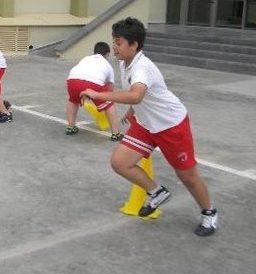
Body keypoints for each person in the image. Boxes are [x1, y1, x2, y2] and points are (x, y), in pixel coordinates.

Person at [80, 17, 218, 236]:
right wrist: (132, 113)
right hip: (146, 125)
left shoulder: (142, 67)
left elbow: (136, 94)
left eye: (118, 43)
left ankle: (209, 212)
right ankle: (157, 192)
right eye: (113, 42)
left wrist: (98, 94)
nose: (114, 47)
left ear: (134, 45)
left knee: (188, 177)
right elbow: (141, 96)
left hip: (171, 125)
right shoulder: (127, 63)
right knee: (120, 162)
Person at [66, 41, 122, 141]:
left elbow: (82, 78)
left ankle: (70, 127)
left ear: (94, 52)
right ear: (107, 54)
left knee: (73, 100)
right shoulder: (107, 65)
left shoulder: (86, 58)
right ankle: (116, 133)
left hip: (72, 80)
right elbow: (110, 88)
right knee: (109, 103)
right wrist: (101, 100)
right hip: (93, 83)